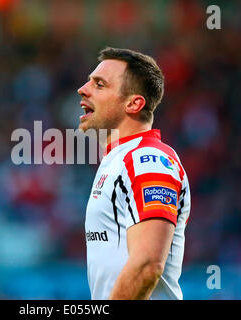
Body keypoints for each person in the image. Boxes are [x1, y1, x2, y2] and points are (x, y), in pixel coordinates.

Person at [78, 47, 191, 300]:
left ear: (134, 103)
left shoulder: (147, 161)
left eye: (99, 84)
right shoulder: (118, 160)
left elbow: (147, 266)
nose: (83, 89)